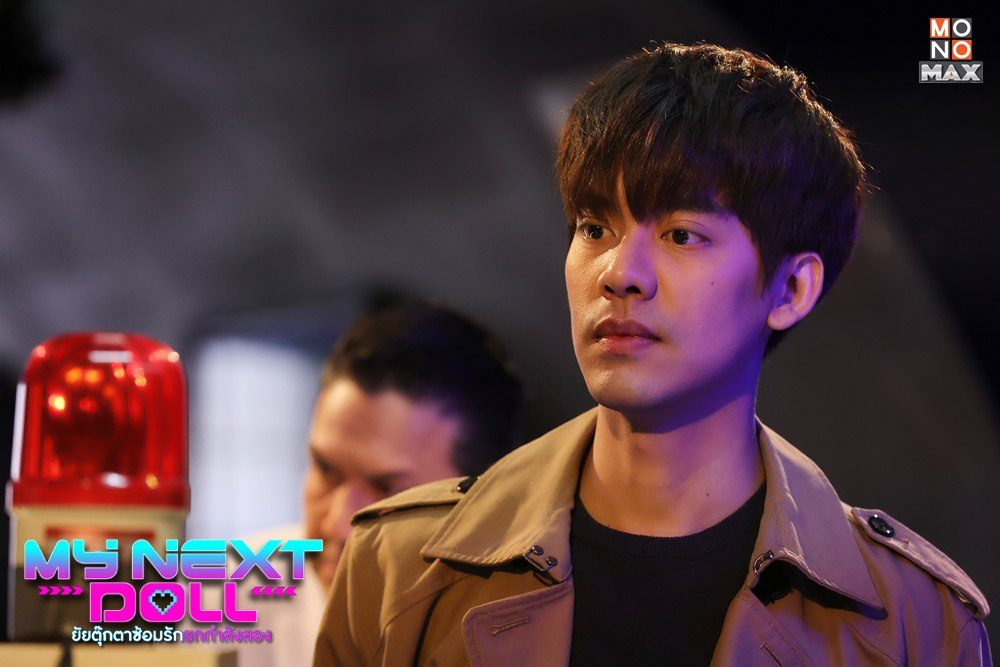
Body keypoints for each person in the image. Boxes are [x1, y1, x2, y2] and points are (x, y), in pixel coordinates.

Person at [314, 43, 992, 665]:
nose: (620, 272)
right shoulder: (397, 567)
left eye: (681, 233)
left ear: (791, 288)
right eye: (594, 226)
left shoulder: (915, 621)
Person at [234, 302, 523, 667]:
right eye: (325, 469)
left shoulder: (529, 634)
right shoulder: (223, 594)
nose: (337, 525)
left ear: (481, 503)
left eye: (387, 491)